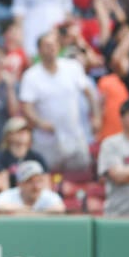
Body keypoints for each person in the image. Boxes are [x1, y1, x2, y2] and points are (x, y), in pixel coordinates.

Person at [19, 32, 100, 171]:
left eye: (54, 44)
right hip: (47, 139)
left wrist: (97, 117)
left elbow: (90, 94)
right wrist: (40, 123)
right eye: (47, 45)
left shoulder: (73, 67)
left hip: (75, 134)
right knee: (48, 176)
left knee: (81, 175)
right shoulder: (31, 76)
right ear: (39, 50)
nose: (51, 48)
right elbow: (26, 107)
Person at [0, 160, 64, 215]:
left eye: (39, 181)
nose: (36, 186)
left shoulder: (50, 196)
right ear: (19, 184)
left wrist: (23, 212)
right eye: (30, 181)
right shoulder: (7, 195)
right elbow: (0, 208)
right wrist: (39, 213)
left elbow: (59, 209)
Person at [0, 116, 48, 188]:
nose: (23, 133)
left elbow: (46, 184)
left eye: (26, 131)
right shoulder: (0, 157)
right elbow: (0, 184)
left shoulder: (37, 158)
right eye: (18, 130)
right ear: (8, 135)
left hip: (32, 196)